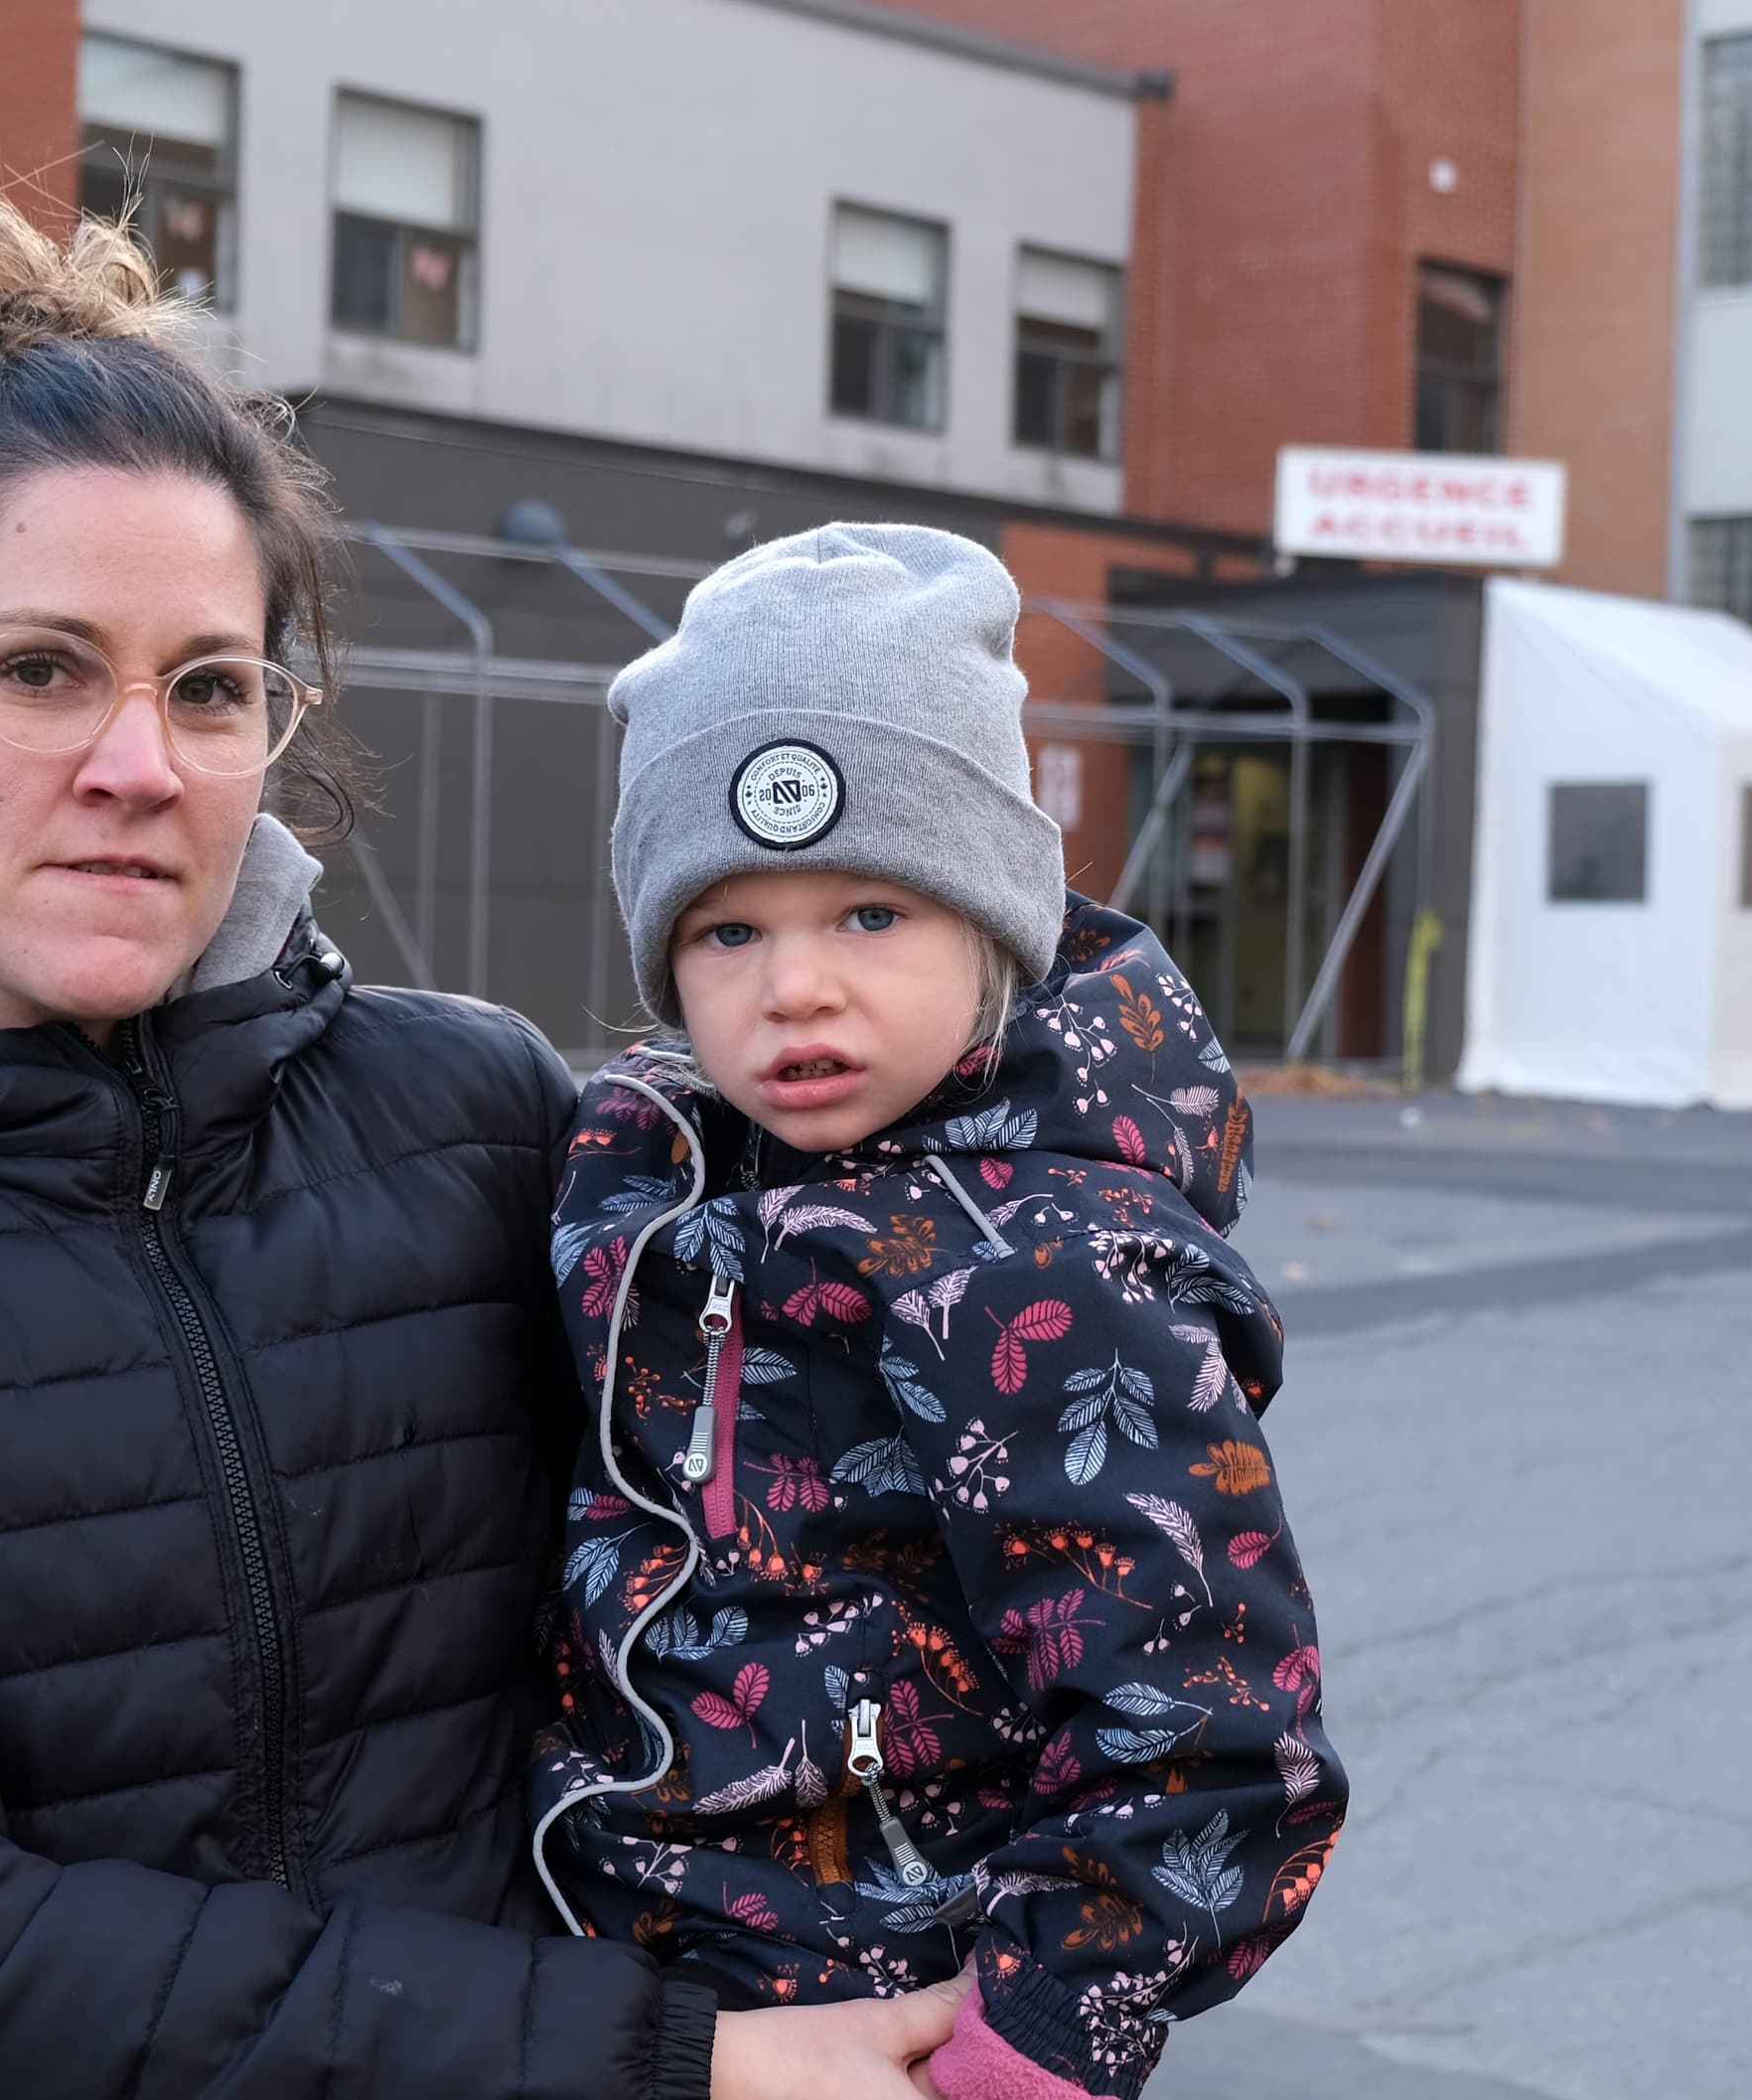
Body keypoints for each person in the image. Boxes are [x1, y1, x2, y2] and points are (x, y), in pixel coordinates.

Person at [0, 175, 952, 2098]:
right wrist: (679, 2063)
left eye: (208, 686)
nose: (139, 765)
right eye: (39, 668)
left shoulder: (484, 1118)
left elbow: (855, 1534)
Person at [531, 525, 1347, 2099]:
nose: (795, 986)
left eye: (870, 914)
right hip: (644, 1988)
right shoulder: (642, 1182)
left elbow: (1210, 1718)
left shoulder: (1047, 1265)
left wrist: (1029, 2045)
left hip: (895, 2010)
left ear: (993, 922)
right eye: (728, 928)